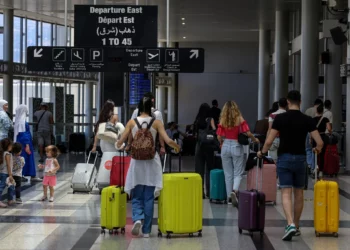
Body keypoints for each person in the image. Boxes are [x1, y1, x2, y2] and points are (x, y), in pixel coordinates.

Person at [257, 90, 323, 241]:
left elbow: (269, 141)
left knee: (286, 193)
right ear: (300, 102)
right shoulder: (307, 120)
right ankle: (297, 226)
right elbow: (319, 142)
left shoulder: (279, 119)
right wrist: (316, 150)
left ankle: (290, 224)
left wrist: (262, 152)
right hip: (301, 159)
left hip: (284, 159)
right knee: (299, 193)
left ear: (287, 102)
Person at [116, 97, 180, 238]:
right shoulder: (156, 122)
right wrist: (176, 147)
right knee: (149, 197)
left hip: (137, 162)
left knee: (137, 195)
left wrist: (120, 144)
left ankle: (138, 218)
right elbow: (168, 140)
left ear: (139, 108)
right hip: (152, 161)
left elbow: (120, 142)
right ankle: (146, 231)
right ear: (151, 108)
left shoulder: (132, 122)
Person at [216, 101, 259, 206]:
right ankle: (234, 191)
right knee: (238, 172)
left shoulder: (222, 119)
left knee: (228, 174)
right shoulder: (239, 118)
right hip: (236, 146)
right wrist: (255, 140)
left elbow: (219, 136)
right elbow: (248, 133)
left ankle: (229, 199)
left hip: (225, 146)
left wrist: (222, 143)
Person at [194, 103, 216, 199]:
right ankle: (209, 192)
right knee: (209, 169)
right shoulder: (210, 119)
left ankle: (200, 192)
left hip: (199, 146)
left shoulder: (197, 120)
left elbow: (194, 134)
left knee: (199, 170)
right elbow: (215, 131)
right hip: (208, 146)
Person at [14, 104, 39, 182]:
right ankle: (32, 175)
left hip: (19, 143)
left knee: (20, 159)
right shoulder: (23, 122)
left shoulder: (17, 121)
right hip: (25, 144)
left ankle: (20, 175)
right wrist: (27, 145)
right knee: (27, 159)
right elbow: (25, 134)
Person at [311, 103, 332, 178]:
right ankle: (321, 171)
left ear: (316, 111)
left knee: (315, 154)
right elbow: (329, 129)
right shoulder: (326, 119)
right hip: (323, 137)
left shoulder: (312, 120)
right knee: (322, 155)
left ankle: (315, 169)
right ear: (323, 111)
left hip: (315, 137)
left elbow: (311, 131)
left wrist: (311, 139)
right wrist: (330, 132)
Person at [304, 98, 323, 173]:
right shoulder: (320, 110)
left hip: (307, 132)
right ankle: (313, 166)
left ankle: (309, 164)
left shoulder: (308, 110)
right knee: (315, 149)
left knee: (308, 148)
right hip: (316, 132)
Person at [268, 98, 288, 162]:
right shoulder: (288, 115)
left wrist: (267, 140)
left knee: (274, 160)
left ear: (278, 104)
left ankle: (276, 170)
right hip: (285, 139)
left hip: (274, 138)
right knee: (284, 159)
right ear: (287, 105)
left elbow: (270, 129)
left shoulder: (272, 115)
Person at [0, 138, 15, 207]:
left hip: (2, 172)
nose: (12, 147)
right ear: (8, 146)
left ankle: (10, 199)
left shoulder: (1, 153)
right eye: (11, 146)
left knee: (11, 186)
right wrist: (10, 175)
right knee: (2, 187)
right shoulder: (7, 154)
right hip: (6, 173)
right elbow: (8, 165)